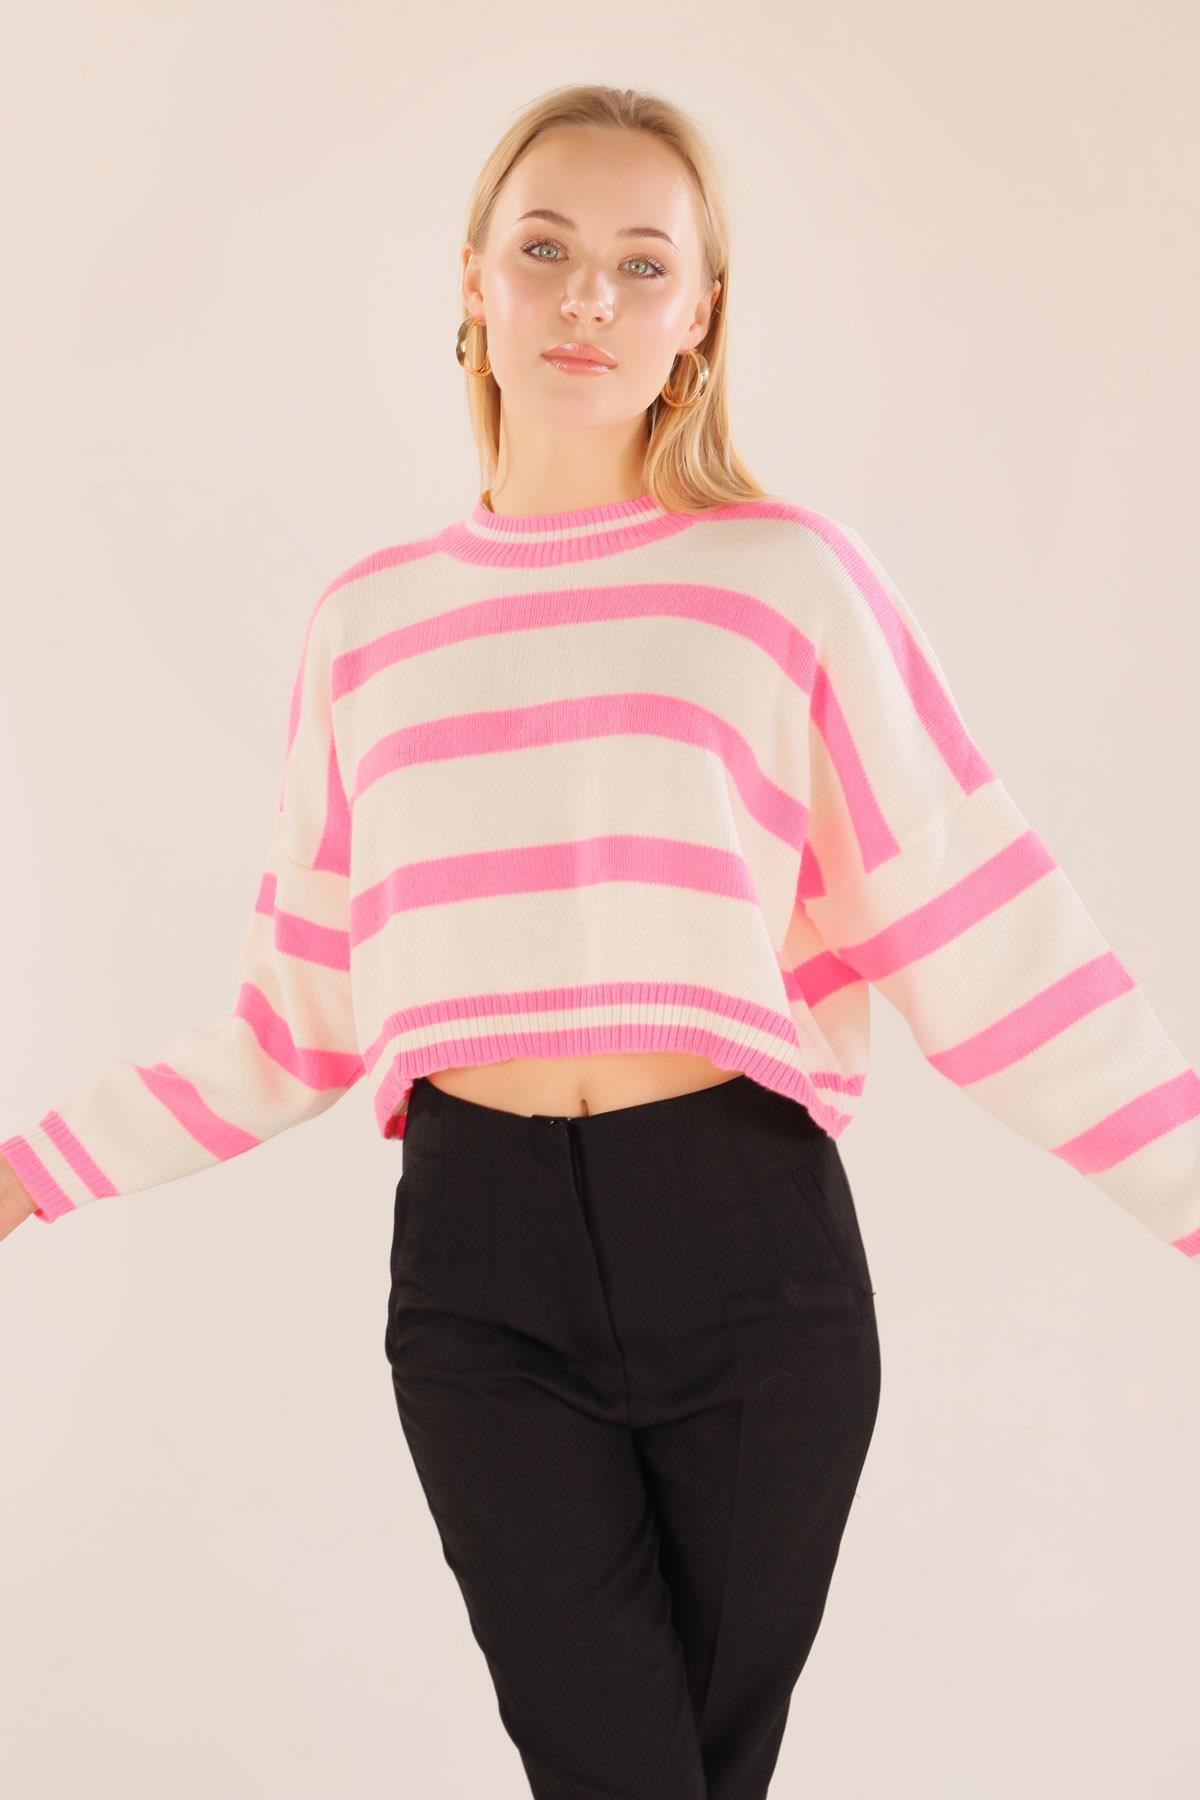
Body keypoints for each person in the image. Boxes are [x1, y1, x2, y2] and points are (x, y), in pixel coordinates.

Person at [3, 81, 1197, 1800]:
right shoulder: (369, 627)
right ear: (471, 282)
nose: (589, 297)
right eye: (546, 249)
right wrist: (31, 1172)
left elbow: (982, 929)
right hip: (479, 1276)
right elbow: (298, 1015)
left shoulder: (789, 583)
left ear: (700, 316)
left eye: (643, 265)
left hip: (750, 1256)